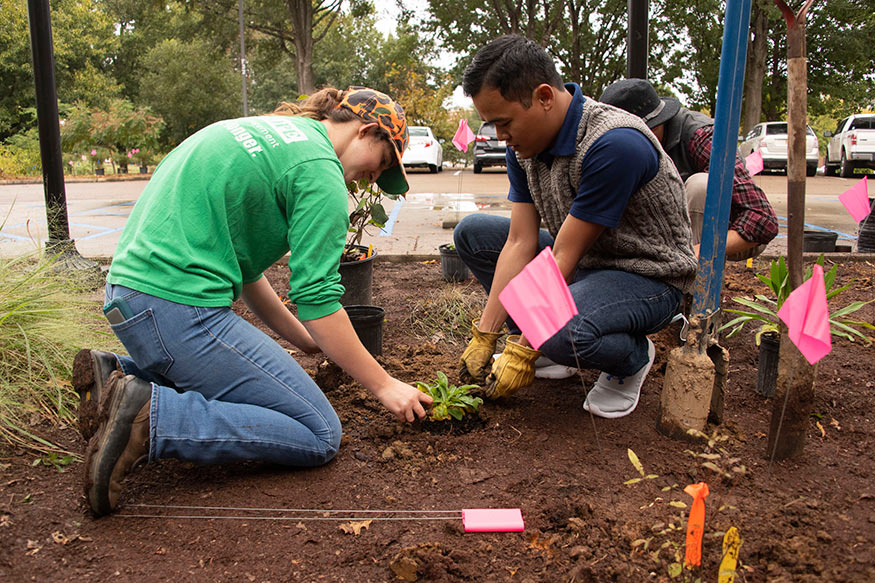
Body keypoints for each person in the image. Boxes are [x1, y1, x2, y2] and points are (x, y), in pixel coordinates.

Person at [74, 87, 433, 517]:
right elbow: (317, 299)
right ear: (366, 131)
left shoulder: (273, 132)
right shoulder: (321, 175)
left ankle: (114, 375)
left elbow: (246, 272)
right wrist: (385, 385)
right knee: (318, 432)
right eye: (382, 164)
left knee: (266, 393)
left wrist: (305, 341)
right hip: (177, 309)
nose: (371, 179)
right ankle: (150, 419)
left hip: (131, 301)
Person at [454, 36, 698, 419]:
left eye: (504, 122)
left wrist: (522, 346)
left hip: (649, 276)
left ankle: (631, 359)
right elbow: (520, 241)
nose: (500, 137)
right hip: (590, 263)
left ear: (545, 97)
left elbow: (565, 253)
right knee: (475, 233)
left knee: (553, 329)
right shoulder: (525, 146)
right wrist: (485, 335)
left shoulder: (614, 143)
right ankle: (554, 347)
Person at [599, 78, 778, 261]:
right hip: (665, 232)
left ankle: (697, 285)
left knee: (701, 186)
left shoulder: (702, 136)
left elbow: (763, 220)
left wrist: (696, 252)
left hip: (728, 231)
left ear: (656, 124)